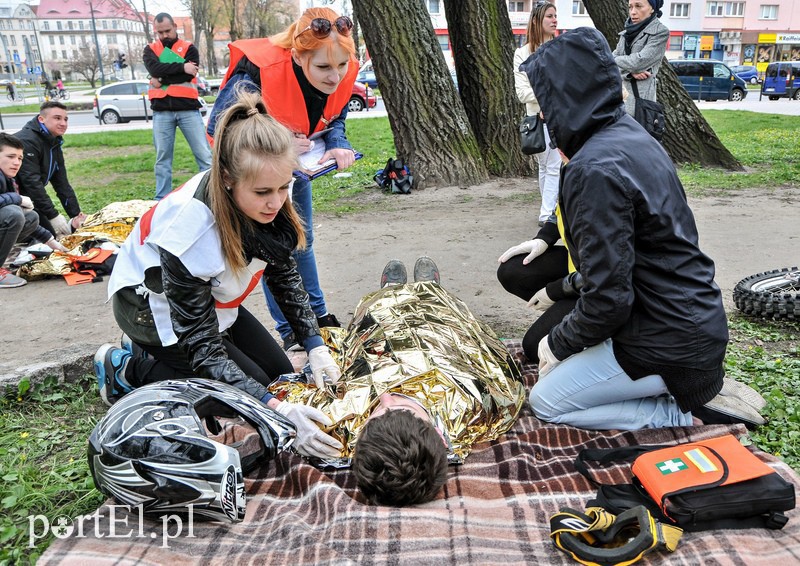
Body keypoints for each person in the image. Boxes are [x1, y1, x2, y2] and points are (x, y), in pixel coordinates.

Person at [519, 27, 763, 431]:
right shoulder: (631, 134)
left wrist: (557, 346)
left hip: (668, 338)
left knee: (545, 400)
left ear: (569, 96)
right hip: (688, 320)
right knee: (552, 347)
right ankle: (672, 387)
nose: (543, 114)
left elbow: (609, 298)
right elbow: (622, 265)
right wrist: (560, 297)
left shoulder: (592, 168)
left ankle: (676, 413)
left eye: (547, 100)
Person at [94, 91, 344, 461]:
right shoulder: (190, 231)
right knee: (248, 402)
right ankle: (130, 369)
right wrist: (277, 410)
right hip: (150, 309)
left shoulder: (267, 183)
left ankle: (163, 362)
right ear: (227, 179)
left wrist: (314, 344)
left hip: (208, 299)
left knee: (277, 378)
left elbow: (283, 274)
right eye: (263, 192)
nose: (276, 202)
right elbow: (202, 345)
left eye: (282, 187)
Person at [268, 257, 526, 506]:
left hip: (380, 339)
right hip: (438, 337)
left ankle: (391, 292)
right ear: (440, 435)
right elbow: (503, 371)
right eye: (404, 408)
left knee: (380, 312)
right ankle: (430, 290)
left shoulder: (337, 425)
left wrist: (286, 421)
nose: (385, 396)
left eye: (378, 411)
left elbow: (281, 390)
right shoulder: (475, 406)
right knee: (441, 316)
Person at [207, 7, 360, 351]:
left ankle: (317, 318)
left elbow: (336, 113)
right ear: (297, 56)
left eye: (341, 65)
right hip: (252, 172)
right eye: (323, 67)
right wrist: (278, 143)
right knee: (273, 248)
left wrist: (337, 142)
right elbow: (219, 127)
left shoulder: (342, 69)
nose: (335, 76)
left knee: (300, 240)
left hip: (297, 166)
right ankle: (292, 331)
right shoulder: (259, 71)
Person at [143, 12, 212, 200]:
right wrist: (182, 67)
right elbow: (154, 69)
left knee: (205, 157)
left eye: (167, 30)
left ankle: (211, 195)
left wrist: (161, 78)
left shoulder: (189, 48)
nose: (164, 35)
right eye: (160, 32)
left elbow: (189, 75)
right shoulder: (150, 49)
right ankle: (161, 199)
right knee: (162, 160)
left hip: (188, 109)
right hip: (162, 111)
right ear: (155, 31)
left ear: (175, 26)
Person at [513, 0, 561, 225]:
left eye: (555, 16)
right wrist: (546, 101)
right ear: (536, 21)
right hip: (538, 118)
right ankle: (547, 213)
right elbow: (522, 92)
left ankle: (546, 211)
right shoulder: (522, 53)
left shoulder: (560, 48)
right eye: (549, 16)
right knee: (548, 165)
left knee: (550, 166)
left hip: (561, 114)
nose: (554, 20)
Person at [0, 133, 68, 288]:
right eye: (11, 156)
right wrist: (17, 198)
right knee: (13, 213)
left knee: (30, 217)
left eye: (20, 158)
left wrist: (51, 242)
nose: (16, 162)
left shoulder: (8, 178)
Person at [15, 101, 86, 238]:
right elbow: (32, 183)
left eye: (65, 119)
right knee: (51, 236)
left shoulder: (54, 141)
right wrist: (52, 215)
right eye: (57, 118)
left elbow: (62, 183)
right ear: (41, 119)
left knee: (67, 231)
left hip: (30, 198)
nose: (63, 123)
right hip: (13, 200)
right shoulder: (27, 141)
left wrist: (77, 215)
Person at [612, 0, 669, 118]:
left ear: (652, 8)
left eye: (638, 6)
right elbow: (610, 62)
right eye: (630, 7)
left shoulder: (659, 32)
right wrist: (629, 72)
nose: (633, 12)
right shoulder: (626, 33)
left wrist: (618, 61)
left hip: (641, 103)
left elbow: (638, 62)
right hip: (619, 100)